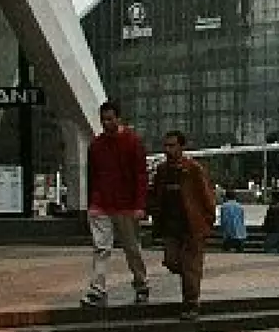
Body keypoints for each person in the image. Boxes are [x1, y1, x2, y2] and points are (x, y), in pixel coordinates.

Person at [81, 99, 149, 310]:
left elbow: (141, 175)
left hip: (125, 205)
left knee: (131, 248)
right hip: (103, 203)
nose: (106, 123)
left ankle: (141, 284)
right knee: (102, 248)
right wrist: (92, 202)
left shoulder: (132, 142)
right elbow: (92, 176)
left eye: (110, 119)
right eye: (103, 120)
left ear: (118, 118)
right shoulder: (97, 145)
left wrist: (140, 205)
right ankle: (98, 288)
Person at [151, 130, 217, 320]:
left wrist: (208, 219)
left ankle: (191, 303)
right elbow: (156, 194)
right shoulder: (162, 170)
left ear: (182, 147)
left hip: (192, 226)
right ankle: (192, 279)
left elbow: (206, 195)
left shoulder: (193, 169)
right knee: (171, 261)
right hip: (171, 226)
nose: (168, 150)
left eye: (172, 145)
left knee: (190, 267)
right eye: (166, 146)